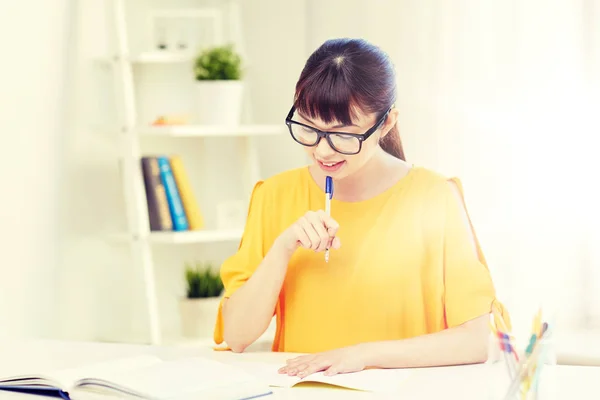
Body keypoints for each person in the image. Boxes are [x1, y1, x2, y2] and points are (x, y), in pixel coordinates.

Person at [213, 37, 510, 377]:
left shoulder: (435, 196)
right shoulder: (275, 195)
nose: (323, 151)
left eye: (343, 135)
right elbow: (236, 337)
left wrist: (362, 355)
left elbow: (475, 341)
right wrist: (283, 247)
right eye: (309, 128)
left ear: (386, 122)